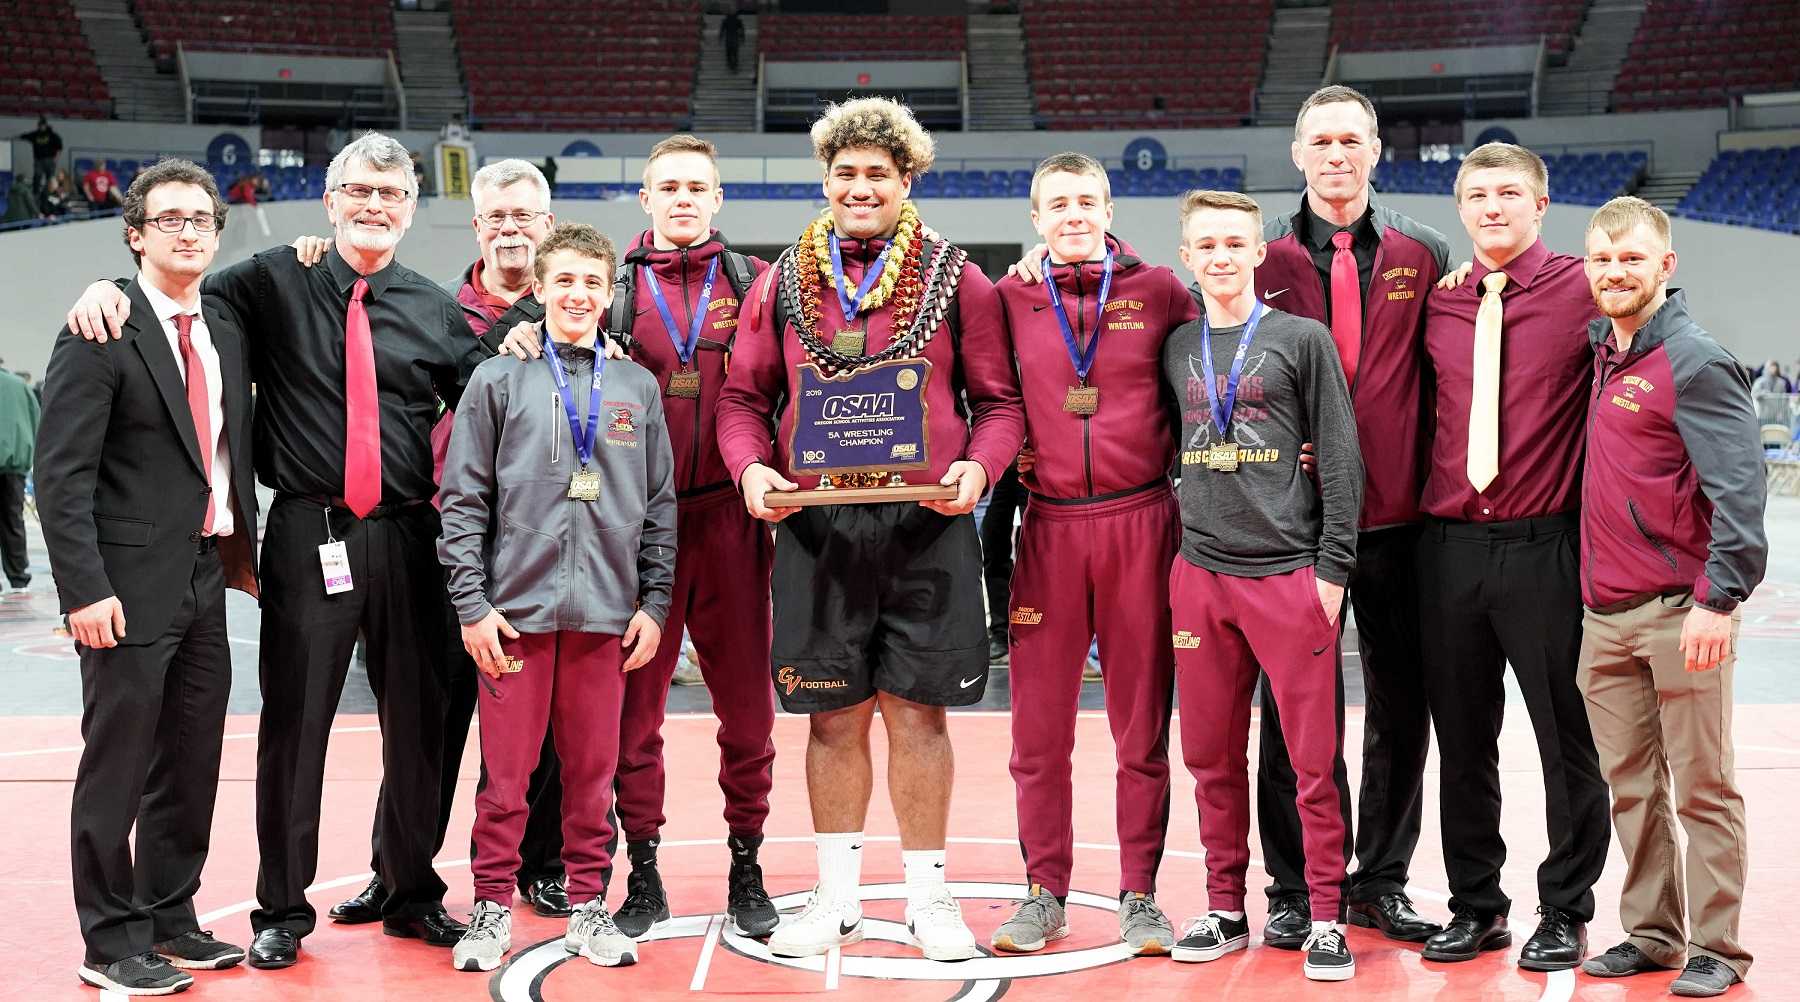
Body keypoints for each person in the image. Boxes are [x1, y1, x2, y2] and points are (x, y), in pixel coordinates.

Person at [63, 131, 488, 970]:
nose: (374, 206)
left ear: (409, 210)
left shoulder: (435, 307)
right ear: (330, 202)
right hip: (308, 530)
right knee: (293, 730)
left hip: (409, 534)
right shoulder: (269, 280)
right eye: (358, 192)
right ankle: (283, 908)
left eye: (391, 195)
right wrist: (105, 288)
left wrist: (531, 346)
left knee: (422, 727)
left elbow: (485, 393)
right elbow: (167, 291)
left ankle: (409, 891)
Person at [715, 97, 1024, 961]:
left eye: (876, 175)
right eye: (844, 174)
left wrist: (980, 467)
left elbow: (998, 405)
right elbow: (743, 399)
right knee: (831, 720)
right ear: (826, 180)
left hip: (928, 524)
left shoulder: (959, 279)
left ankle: (930, 898)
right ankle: (835, 897)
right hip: (817, 528)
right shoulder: (782, 280)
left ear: (906, 180)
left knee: (920, 717)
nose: (859, 188)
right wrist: (748, 468)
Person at [497, 134, 783, 939]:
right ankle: (645, 872)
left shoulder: (755, 285)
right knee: (634, 723)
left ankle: (746, 864)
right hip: (632, 531)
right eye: (669, 187)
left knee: (749, 717)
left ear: (717, 198)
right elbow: (508, 335)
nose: (684, 199)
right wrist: (517, 333)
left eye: (698, 186)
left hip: (731, 523)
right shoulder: (605, 288)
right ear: (646, 199)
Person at [307, 157, 574, 929]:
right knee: (422, 719)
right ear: (476, 224)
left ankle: (543, 866)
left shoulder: (580, 306)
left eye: (526, 215)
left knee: (544, 723)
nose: (511, 228)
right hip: (438, 539)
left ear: (548, 224)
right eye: (496, 216)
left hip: (541, 548)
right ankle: (398, 873)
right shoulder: (429, 308)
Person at [39, 159, 259, 996]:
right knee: (118, 764)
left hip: (206, 574)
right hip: (123, 589)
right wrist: (84, 591)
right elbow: (61, 478)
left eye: (201, 218)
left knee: (191, 758)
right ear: (135, 234)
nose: (188, 231)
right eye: (169, 219)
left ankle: (171, 917)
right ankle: (109, 941)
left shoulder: (225, 327)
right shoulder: (101, 326)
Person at [439, 222, 676, 973]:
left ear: (610, 295)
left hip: (607, 617)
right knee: (505, 780)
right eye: (564, 281)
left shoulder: (636, 386)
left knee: (592, 776)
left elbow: (660, 504)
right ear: (538, 289)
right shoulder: (498, 380)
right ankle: (488, 909)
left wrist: (655, 602)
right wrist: (473, 606)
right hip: (515, 617)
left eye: (592, 284)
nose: (578, 294)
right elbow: (463, 500)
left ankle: (587, 907)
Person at [1246, 84, 1452, 948]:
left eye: (1352, 140)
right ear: (1297, 155)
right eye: (1320, 141)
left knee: (1404, 709)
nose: (1336, 155)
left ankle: (1380, 880)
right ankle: (1294, 886)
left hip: (1402, 523)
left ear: (1375, 151)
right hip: (1292, 530)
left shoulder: (1425, 251)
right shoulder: (1258, 261)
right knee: (1294, 714)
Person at [986, 151, 1198, 956]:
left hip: (1143, 522)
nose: (1073, 215)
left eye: (1087, 201)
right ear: (1035, 219)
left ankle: (1140, 893)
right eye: (1058, 205)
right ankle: (1044, 892)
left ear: (1109, 209)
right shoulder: (1011, 296)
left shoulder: (1161, 291)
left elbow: (1205, 387)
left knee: (1141, 728)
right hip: (1047, 528)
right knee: (1037, 733)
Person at [1416, 142, 1610, 972]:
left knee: (1568, 741)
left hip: (1545, 546)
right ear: (1460, 209)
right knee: (1462, 742)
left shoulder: (1582, 287)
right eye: (1477, 195)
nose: (1492, 207)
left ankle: (1565, 908)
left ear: (1539, 204)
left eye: (1508, 194)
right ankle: (1476, 907)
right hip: (1448, 547)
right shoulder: (1442, 300)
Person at [1163, 189, 1361, 982]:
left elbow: (1341, 455)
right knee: (1211, 755)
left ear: (1258, 252)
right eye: (1204, 244)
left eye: (1233, 243)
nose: (1219, 256)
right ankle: (1223, 906)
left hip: (1288, 575)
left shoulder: (1300, 339)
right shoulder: (1176, 345)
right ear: (1188, 257)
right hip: (1201, 574)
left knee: (1313, 763)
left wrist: (1333, 569)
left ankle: (1324, 917)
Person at [1573, 197, 1766, 998]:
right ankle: (1654, 935)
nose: (1615, 272)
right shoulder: (1601, 350)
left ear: (1666, 266)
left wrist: (1718, 600)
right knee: (1633, 787)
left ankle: (1718, 945)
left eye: (1632, 259)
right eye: (1603, 260)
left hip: (1677, 613)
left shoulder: (1693, 360)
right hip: (1601, 617)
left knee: (1703, 784)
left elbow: (1741, 490)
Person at [975, 462, 1024, 663]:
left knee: (1034, 553)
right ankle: (1001, 633)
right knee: (993, 547)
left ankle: (1034, 632)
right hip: (1002, 467)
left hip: (1037, 466)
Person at [0, 364, 39, 591]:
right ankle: (18, 576)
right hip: (15, 463)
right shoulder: (20, 386)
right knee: (13, 520)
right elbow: (37, 419)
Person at [21, 115, 63, 196]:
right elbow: (25, 136)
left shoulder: (53, 135)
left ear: (46, 125)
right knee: (37, 176)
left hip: (50, 159)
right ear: (38, 126)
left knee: (50, 178)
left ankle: (49, 195)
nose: (41, 127)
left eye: (43, 126)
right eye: (40, 126)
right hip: (38, 160)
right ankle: (35, 194)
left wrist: (56, 159)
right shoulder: (35, 134)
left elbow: (59, 148)